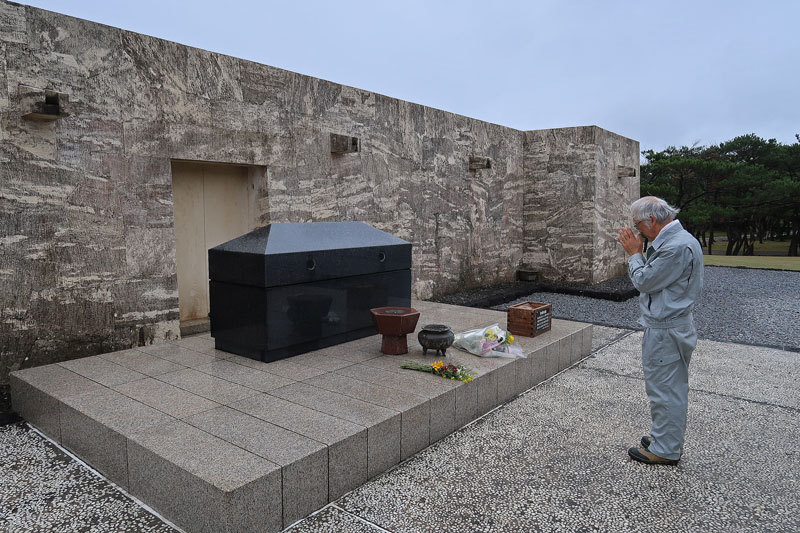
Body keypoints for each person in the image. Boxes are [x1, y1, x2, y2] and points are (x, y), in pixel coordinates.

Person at [617, 196, 704, 465]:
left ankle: (666, 450)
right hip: (670, 326)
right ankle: (662, 436)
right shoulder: (677, 240)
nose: (636, 231)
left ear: (651, 220)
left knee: (666, 389)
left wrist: (634, 254)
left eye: (637, 225)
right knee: (665, 387)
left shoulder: (675, 247)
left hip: (667, 329)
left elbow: (644, 281)